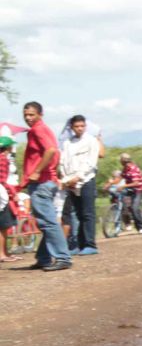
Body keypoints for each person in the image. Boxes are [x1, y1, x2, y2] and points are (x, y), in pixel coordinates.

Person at [18, 102, 71, 271]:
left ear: (40, 114)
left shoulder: (37, 130)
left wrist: (37, 171)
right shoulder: (44, 129)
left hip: (41, 183)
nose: (28, 118)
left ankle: (63, 257)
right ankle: (43, 257)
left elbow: (50, 150)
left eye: (32, 115)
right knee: (45, 222)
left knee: (48, 222)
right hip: (46, 181)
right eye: (25, 115)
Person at [57, 114, 104, 255]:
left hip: (86, 180)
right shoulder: (67, 143)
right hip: (71, 183)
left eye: (82, 126)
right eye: (76, 126)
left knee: (87, 213)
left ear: (85, 126)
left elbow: (91, 162)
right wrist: (66, 180)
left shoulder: (91, 141)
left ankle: (90, 244)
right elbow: (63, 162)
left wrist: (78, 177)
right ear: (72, 127)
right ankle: (79, 244)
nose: (79, 129)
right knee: (77, 213)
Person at [107, 153, 142, 233]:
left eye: (120, 160)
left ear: (123, 161)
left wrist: (123, 186)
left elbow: (136, 183)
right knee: (119, 197)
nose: (120, 162)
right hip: (129, 189)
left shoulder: (133, 169)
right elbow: (119, 179)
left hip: (138, 190)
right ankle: (123, 216)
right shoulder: (125, 169)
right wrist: (110, 184)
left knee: (134, 208)